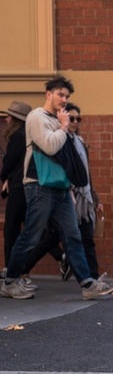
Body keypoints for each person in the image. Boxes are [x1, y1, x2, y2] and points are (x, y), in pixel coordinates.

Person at [0, 76, 113, 300]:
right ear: (49, 94)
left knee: (73, 235)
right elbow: (50, 147)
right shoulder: (37, 117)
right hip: (40, 185)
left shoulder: (56, 119)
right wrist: (63, 127)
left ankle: (87, 284)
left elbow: (66, 157)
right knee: (31, 236)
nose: (63, 100)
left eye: (67, 96)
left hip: (61, 188)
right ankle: (11, 281)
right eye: (60, 95)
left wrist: (71, 189)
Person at [19, 103, 99, 281]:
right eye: (71, 118)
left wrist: (95, 197)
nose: (75, 122)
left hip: (80, 198)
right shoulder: (59, 140)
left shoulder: (80, 143)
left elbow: (86, 174)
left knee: (81, 237)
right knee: (40, 235)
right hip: (59, 192)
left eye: (78, 119)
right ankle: (17, 273)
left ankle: (91, 279)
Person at [1, 101, 33, 280]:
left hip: (18, 188)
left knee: (11, 229)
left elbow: (8, 164)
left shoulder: (18, 137)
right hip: (26, 186)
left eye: (9, 116)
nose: (6, 119)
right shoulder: (27, 136)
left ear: (15, 120)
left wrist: (4, 177)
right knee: (31, 228)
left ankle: (10, 269)